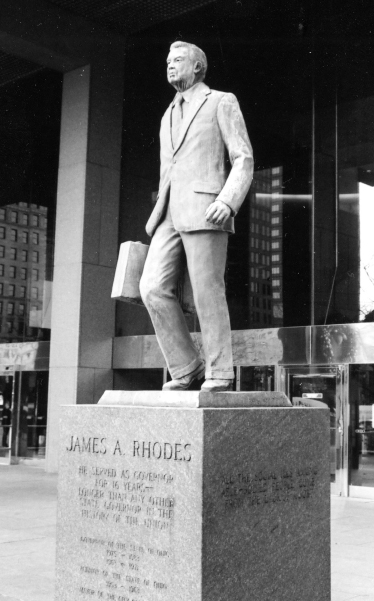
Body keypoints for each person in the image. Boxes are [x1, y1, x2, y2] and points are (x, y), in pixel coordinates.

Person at [140, 41, 253, 392]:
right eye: (168, 60)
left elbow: (244, 158)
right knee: (152, 288)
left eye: (178, 60)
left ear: (198, 67)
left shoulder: (221, 101)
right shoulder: (167, 115)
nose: (171, 66)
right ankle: (188, 368)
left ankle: (219, 372)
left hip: (208, 210)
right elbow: (169, 169)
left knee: (207, 291)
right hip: (169, 214)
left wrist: (229, 200)